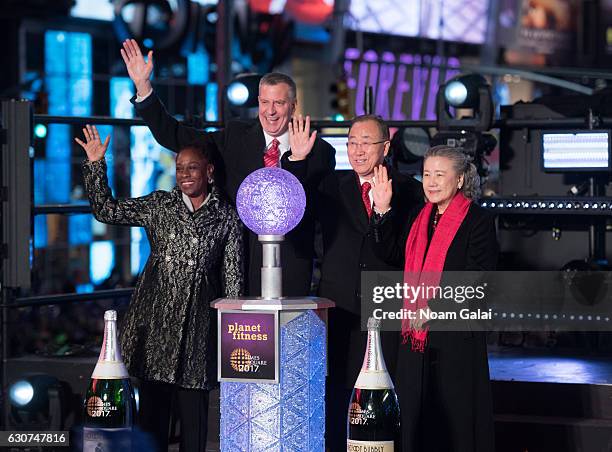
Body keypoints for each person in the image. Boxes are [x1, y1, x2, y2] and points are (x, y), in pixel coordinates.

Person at [120, 39, 335, 297]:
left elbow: (306, 207)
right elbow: (177, 137)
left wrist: (298, 161)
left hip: (290, 265)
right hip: (237, 263)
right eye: (265, 102)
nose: (271, 111)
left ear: (293, 106)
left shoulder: (320, 151)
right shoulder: (235, 136)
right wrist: (144, 90)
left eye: (279, 103)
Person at [76, 125, 244, 452]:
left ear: (209, 171)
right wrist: (97, 164)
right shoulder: (160, 205)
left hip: (199, 331)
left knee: (194, 428)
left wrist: (230, 340)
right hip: (155, 326)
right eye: (179, 168)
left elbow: (233, 284)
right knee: (152, 423)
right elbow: (105, 210)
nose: (184, 175)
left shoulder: (227, 217)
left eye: (191, 168)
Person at [371, 145, 497, 452]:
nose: (431, 182)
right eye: (427, 174)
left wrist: (435, 308)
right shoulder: (418, 215)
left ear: (459, 180)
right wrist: (384, 210)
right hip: (416, 338)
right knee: (415, 420)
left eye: (440, 175)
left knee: (454, 426)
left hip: (455, 339)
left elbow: (478, 278)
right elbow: (390, 255)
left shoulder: (478, 220)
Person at [315, 115, 423, 450]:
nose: (357, 150)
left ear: (386, 147)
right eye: (352, 142)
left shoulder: (411, 191)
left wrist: (384, 212)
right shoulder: (330, 187)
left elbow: (402, 253)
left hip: (385, 308)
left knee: (385, 393)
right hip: (339, 305)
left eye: (366, 142)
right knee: (337, 393)